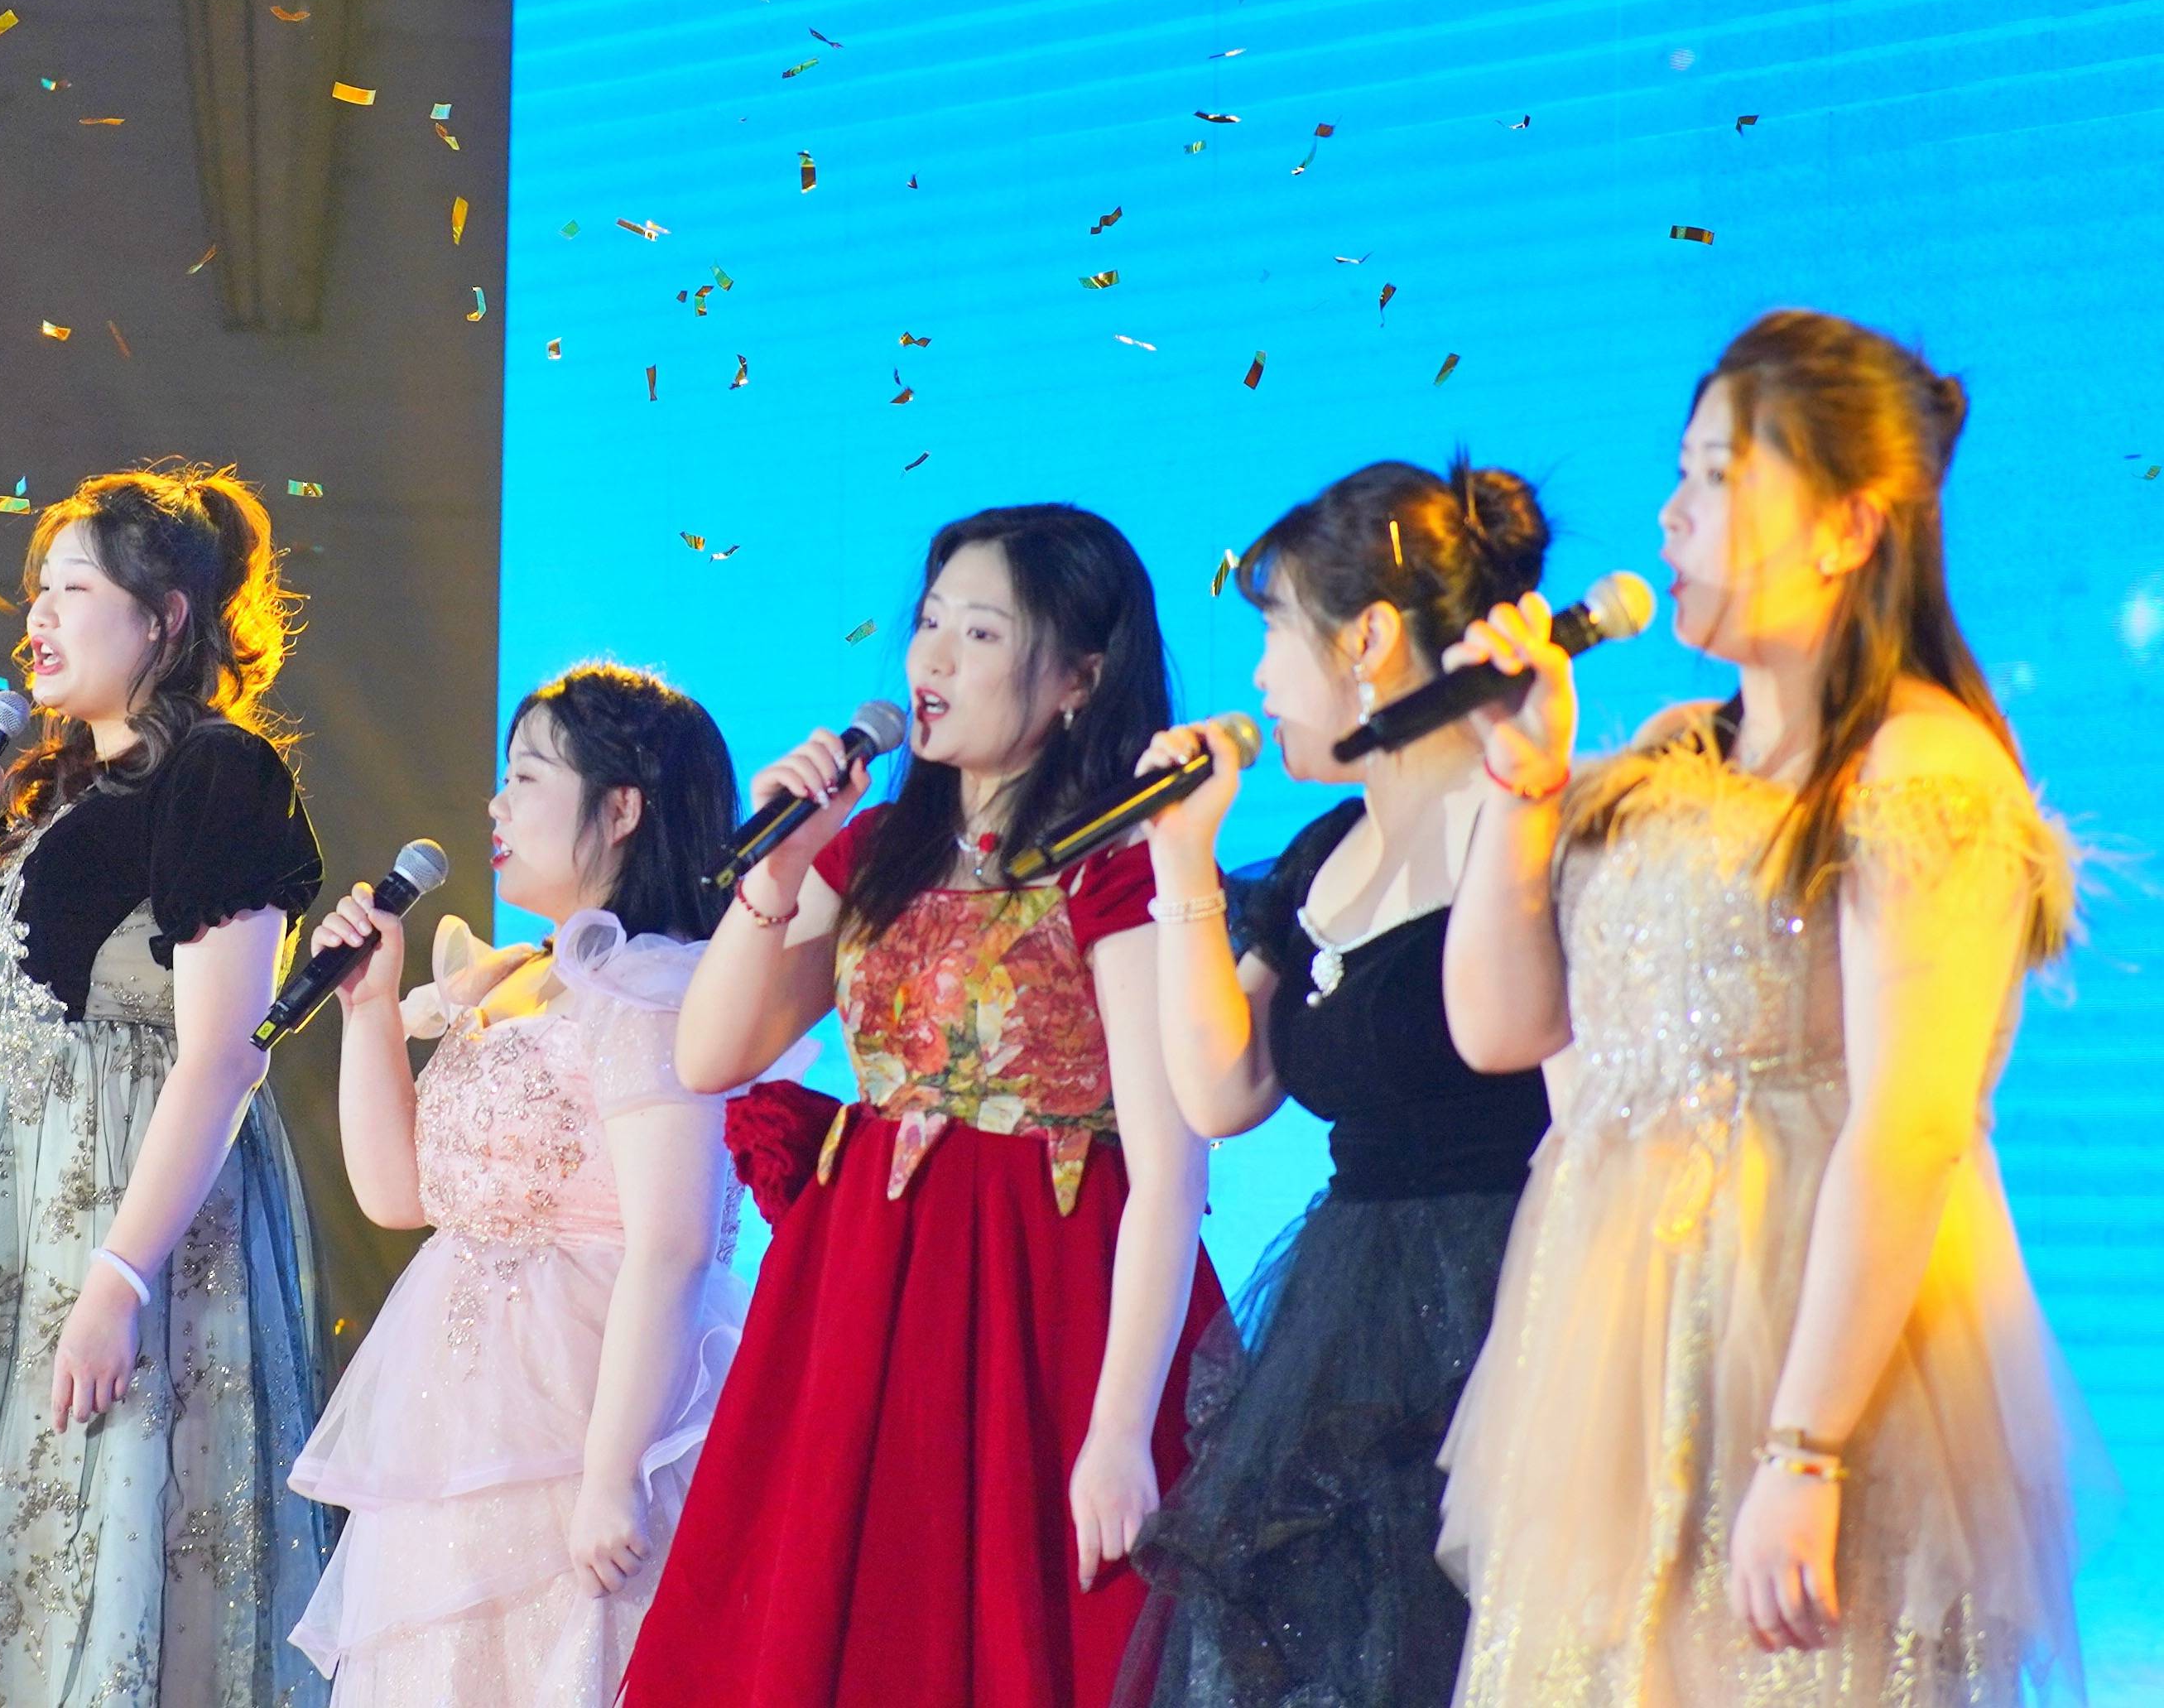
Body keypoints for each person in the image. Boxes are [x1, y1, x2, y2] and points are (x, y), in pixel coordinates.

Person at [1434, 310, 2090, 1704]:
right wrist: (1525, 788)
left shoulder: (1923, 769)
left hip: (1811, 1356)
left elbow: (1911, 1125)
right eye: (1678, 474)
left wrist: (1807, 1450)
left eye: (1720, 477)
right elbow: (1501, 1030)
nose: (1671, 515)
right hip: (1616, 1361)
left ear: (1849, 527)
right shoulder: (1673, 753)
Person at [623, 504, 1226, 1708]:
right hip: (863, 1292)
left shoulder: (1115, 864)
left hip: (1045, 1292)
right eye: (930, 622)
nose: (933, 659)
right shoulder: (879, 848)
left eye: (981, 633)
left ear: (1080, 678)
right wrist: (775, 874)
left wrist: (1119, 1429)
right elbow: (709, 1053)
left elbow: (1170, 1172)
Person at [0, 463, 333, 1707]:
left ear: (166, 618)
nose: (38, 617)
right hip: (1, 1229)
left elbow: (224, 1053)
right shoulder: (45, 788)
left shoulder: (220, 771)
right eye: (37, 590)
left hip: (126, 1217)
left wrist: (120, 1275)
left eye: (75, 589)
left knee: (121, 1544)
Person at [1119, 457, 1556, 1706]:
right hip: (1350, 1319)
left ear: (1368, 637)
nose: (1259, 677)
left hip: (1511, 1293)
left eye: (1275, 630)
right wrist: (1182, 859)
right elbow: (1223, 1090)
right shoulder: (1323, 854)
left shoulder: (1528, 820)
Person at [287, 662, 801, 1704]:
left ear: (622, 808)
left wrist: (614, 1471)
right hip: (455, 1415)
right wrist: (370, 1009)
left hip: (587, 1410)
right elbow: (401, 1197)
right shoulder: (514, 977)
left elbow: (671, 1242)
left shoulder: (659, 988)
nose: (496, 804)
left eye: (526, 777)